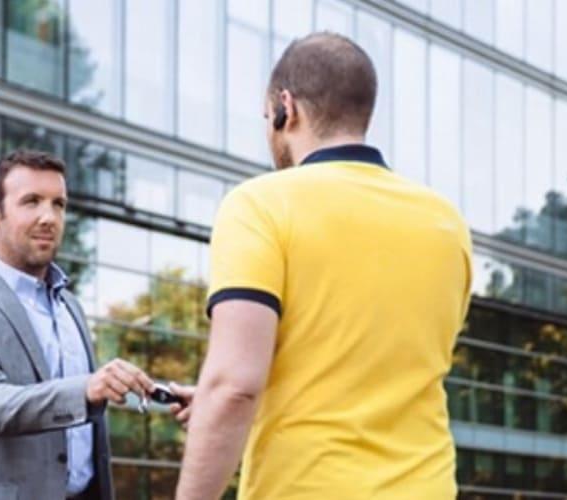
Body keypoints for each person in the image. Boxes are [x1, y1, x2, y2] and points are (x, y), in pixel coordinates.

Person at [172, 32, 473, 499]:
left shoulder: (260, 204)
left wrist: (222, 404)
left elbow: (233, 385)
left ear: (285, 108)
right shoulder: (446, 222)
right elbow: (369, 360)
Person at [0, 150, 155, 500]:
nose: (49, 217)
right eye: (31, 202)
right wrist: (86, 390)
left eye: (59, 204)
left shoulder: (71, 308)